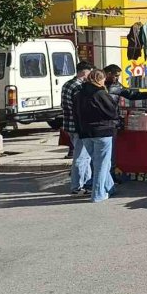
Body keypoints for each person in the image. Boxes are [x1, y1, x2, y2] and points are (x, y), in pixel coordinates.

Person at [75, 70, 120, 203]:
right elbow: (112, 111)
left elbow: (76, 114)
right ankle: (98, 194)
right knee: (102, 164)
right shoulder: (100, 93)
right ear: (100, 80)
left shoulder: (79, 94)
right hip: (102, 131)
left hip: (85, 132)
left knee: (98, 161)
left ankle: (109, 187)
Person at [62, 61, 94, 195]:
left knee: (83, 156)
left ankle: (86, 183)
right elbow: (80, 108)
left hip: (69, 124)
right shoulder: (79, 86)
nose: (90, 75)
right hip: (79, 126)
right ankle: (77, 186)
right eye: (89, 72)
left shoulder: (67, 84)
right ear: (84, 71)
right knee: (81, 157)